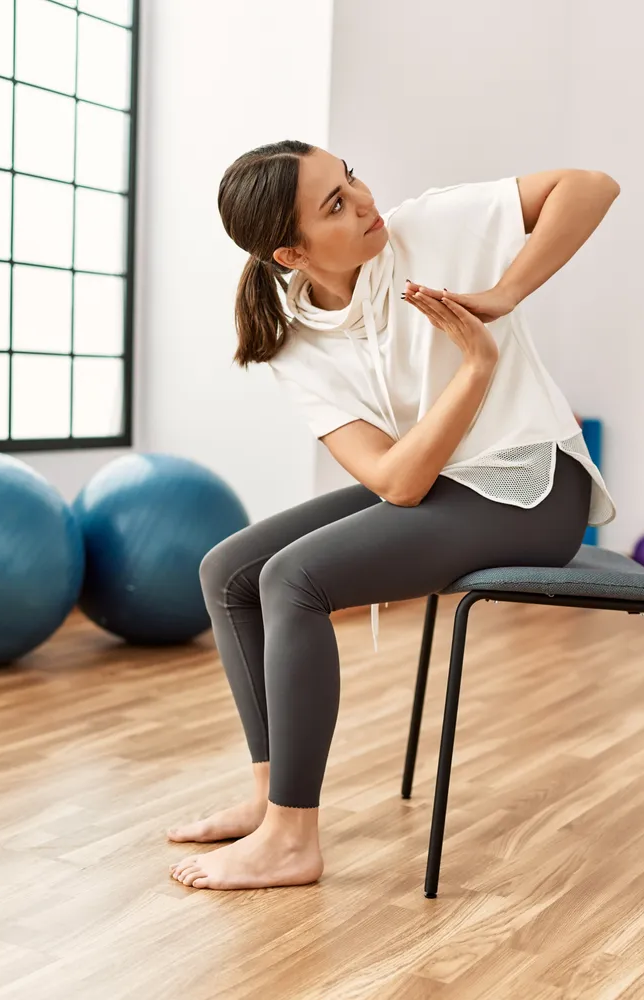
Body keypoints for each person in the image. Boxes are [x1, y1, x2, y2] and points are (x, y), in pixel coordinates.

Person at [168, 140, 620, 890]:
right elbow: (394, 480)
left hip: (533, 487)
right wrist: (475, 370)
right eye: (335, 205)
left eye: (351, 179)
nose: (366, 201)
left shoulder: (430, 227)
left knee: (293, 579)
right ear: (290, 252)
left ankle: (291, 838)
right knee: (231, 572)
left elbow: (592, 185)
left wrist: (505, 296)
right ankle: (266, 796)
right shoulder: (292, 339)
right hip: (443, 484)